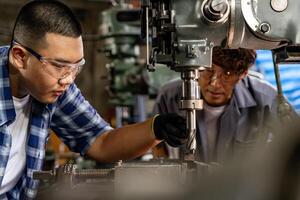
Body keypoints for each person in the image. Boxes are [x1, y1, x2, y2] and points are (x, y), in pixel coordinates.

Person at [0, 1, 188, 199]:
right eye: (59, 66)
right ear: (20, 57)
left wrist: (156, 128)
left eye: (75, 67)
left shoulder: (54, 86)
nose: (68, 80)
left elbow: (101, 142)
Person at [153, 47, 298, 162]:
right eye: (209, 70)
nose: (215, 83)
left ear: (243, 74)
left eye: (227, 74)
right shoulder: (169, 96)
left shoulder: (266, 98)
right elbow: (157, 147)